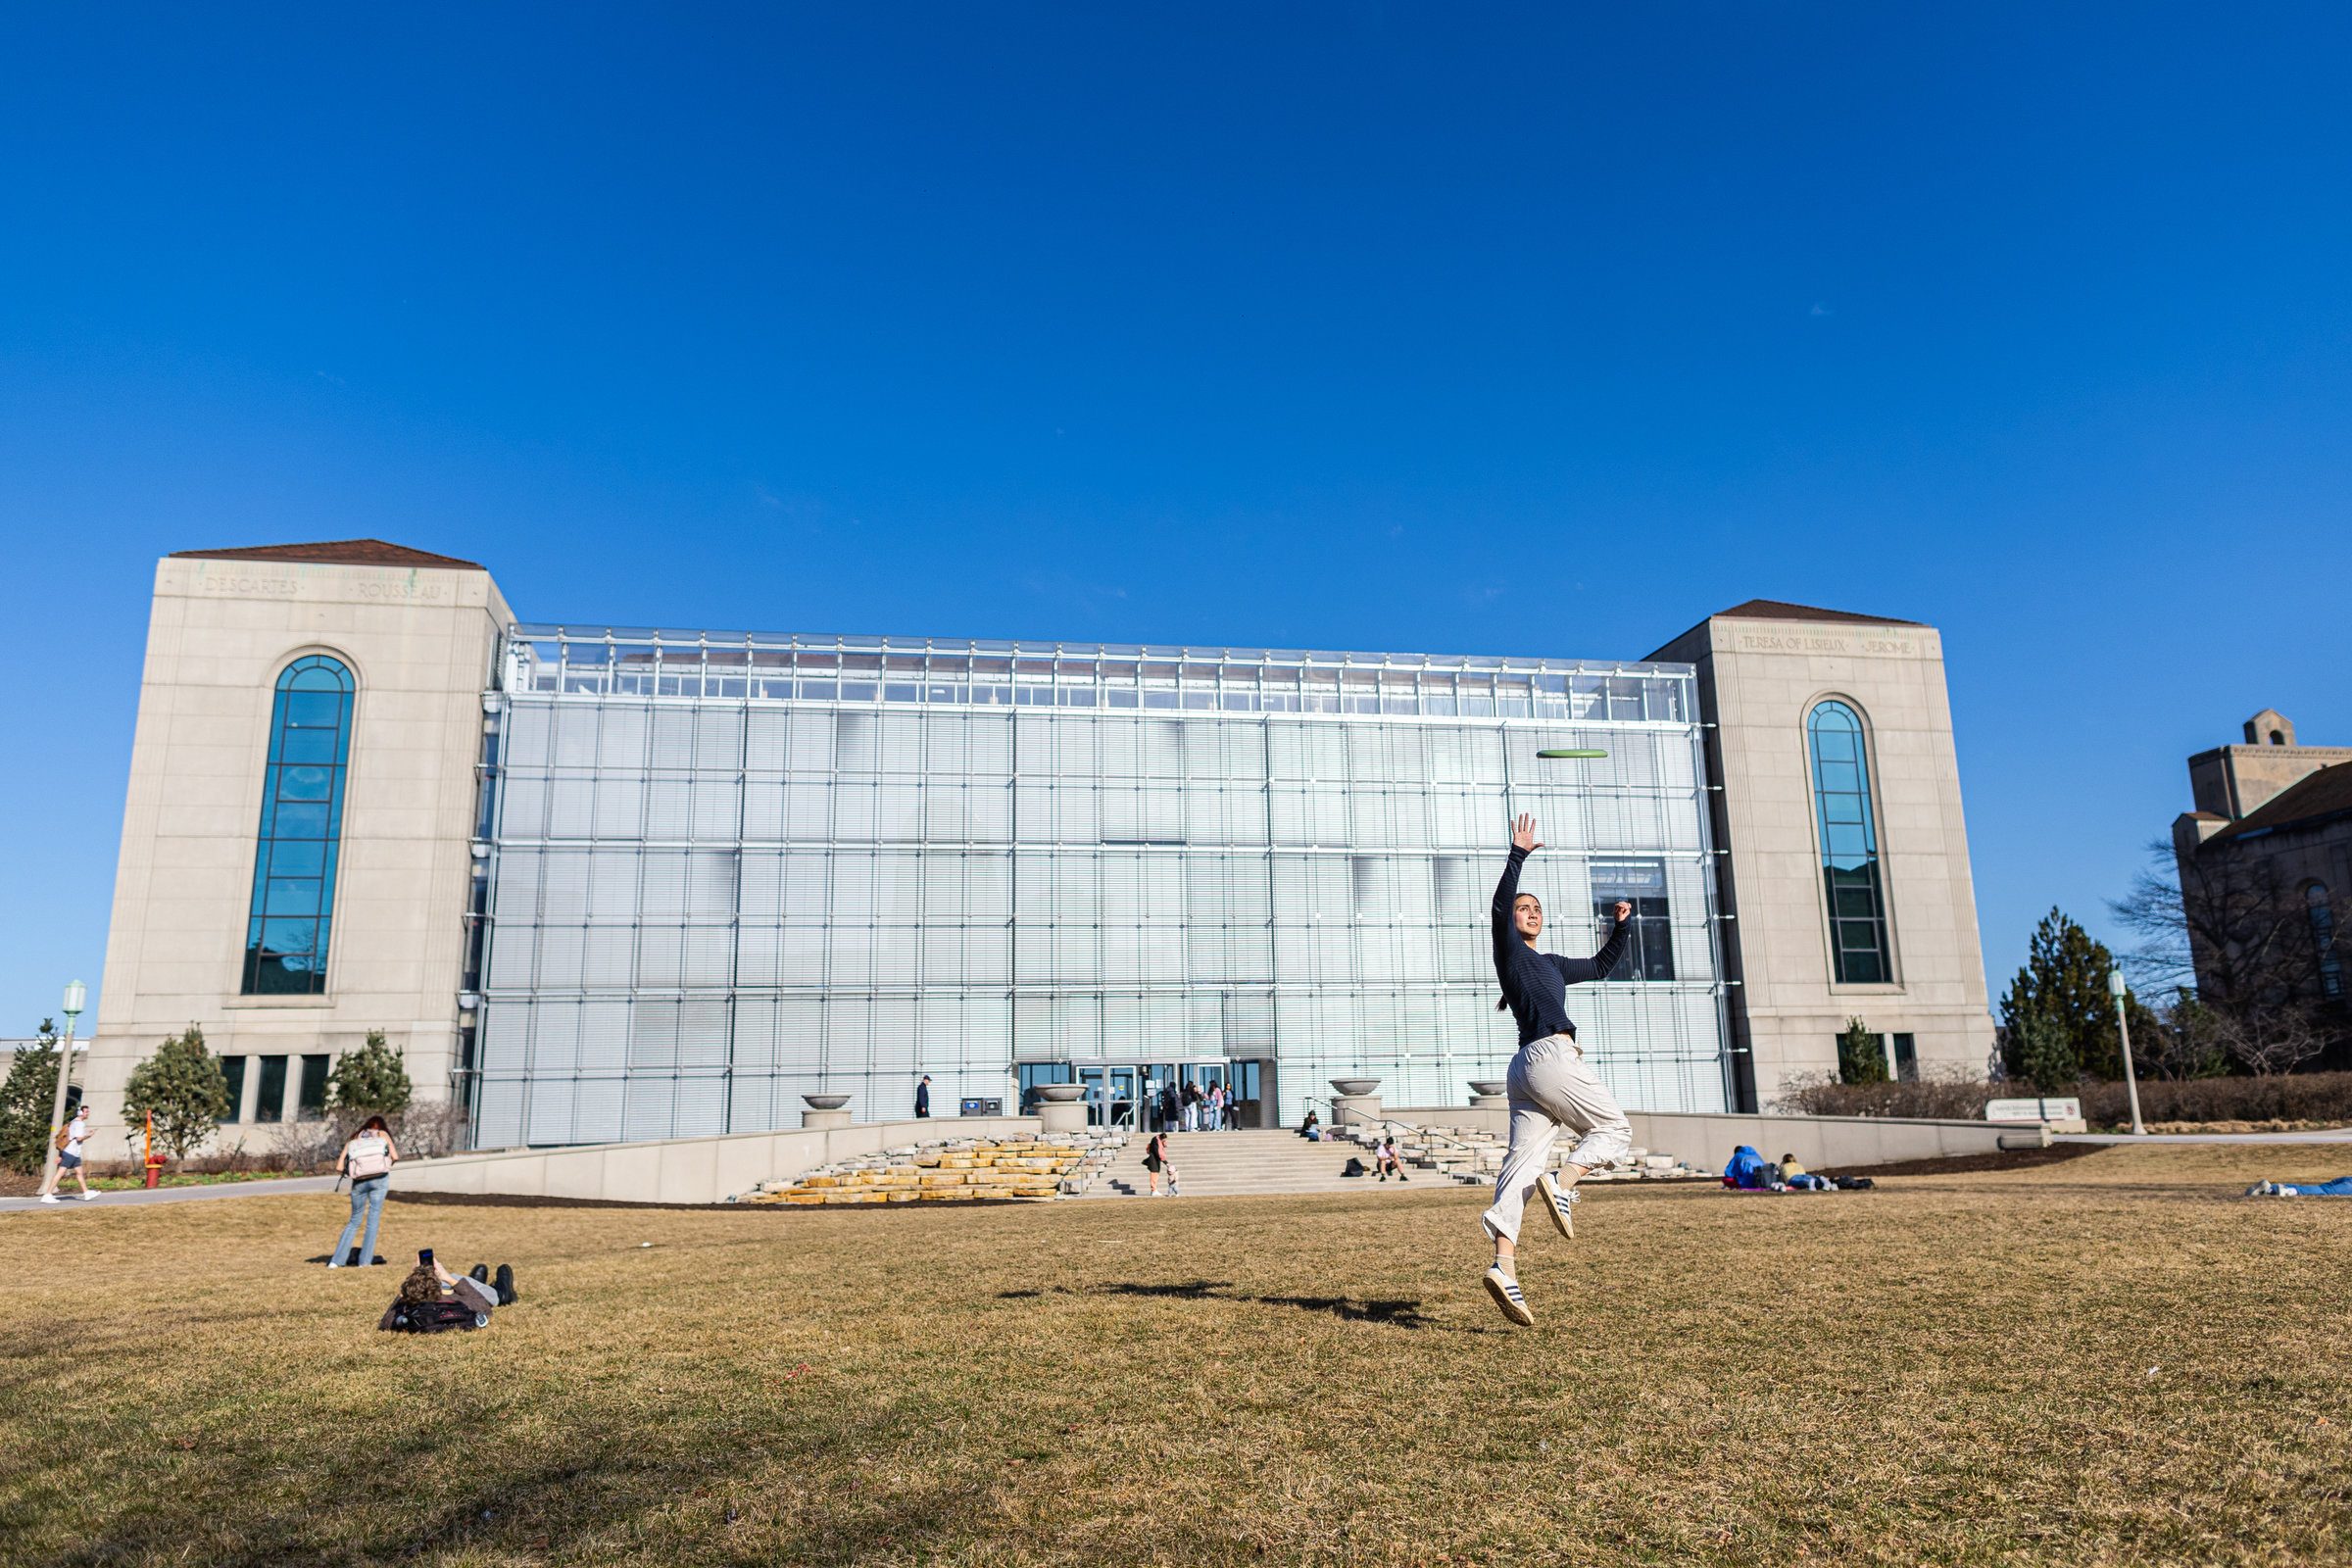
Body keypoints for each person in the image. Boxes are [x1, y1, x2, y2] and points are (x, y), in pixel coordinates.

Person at [1480, 812, 1635, 1326]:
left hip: (1525, 1070)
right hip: (1548, 1058)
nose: (1529, 912)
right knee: (1614, 1127)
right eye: (1524, 909)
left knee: (1520, 1168)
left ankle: (1504, 1267)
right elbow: (1501, 903)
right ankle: (1565, 1184)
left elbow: (1601, 966)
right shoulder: (1511, 955)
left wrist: (1622, 926)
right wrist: (1518, 854)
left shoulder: (1552, 963)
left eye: (1536, 909)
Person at [327, 1115, 400, 1267]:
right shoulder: (383, 1135)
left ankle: (336, 1261)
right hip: (380, 1180)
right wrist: (385, 1163)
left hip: (359, 1182)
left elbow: (339, 1167)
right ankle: (364, 1262)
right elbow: (395, 1156)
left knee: (354, 1221)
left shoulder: (356, 1137)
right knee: (372, 1221)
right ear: (381, 1126)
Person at [37, 1105, 98, 1202]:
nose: (88, 1113)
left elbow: (72, 1137)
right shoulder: (80, 1124)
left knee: (79, 1173)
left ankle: (87, 1193)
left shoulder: (74, 1122)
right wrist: (89, 1135)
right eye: (86, 1112)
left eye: (88, 1112)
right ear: (80, 1113)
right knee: (60, 1173)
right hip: (71, 1153)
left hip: (73, 1153)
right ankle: (47, 1195)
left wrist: (61, 1154)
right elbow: (78, 1138)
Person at [1142, 1129, 1177, 1197]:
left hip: (1156, 1159)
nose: (1165, 1141)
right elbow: (1159, 1153)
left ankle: (1155, 1190)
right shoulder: (1156, 1140)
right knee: (1154, 1174)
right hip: (1153, 1159)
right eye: (1164, 1140)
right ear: (1161, 1138)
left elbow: (1160, 1150)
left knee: (1156, 1174)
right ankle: (1153, 1190)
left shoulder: (1158, 1139)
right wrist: (1166, 1163)